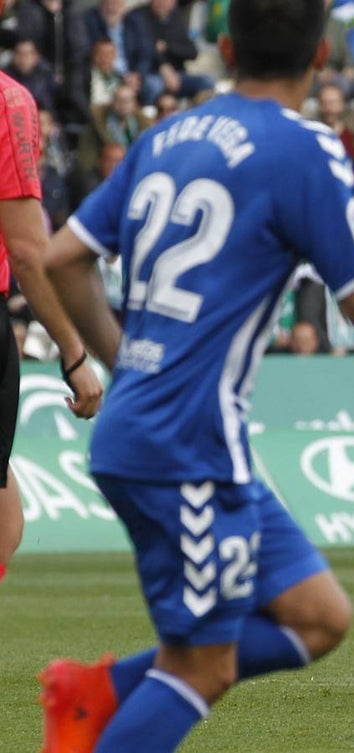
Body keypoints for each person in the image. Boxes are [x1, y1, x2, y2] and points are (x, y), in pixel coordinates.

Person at [37, 2, 354, 750]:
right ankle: (102, 708)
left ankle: (101, 690)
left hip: (173, 434)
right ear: (320, 59)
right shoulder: (302, 145)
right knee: (200, 667)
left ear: (223, 47)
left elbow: (62, 258)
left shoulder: (166, 133)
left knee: (319, 616)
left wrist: (131, 366)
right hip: (187, 446)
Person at [0, 21, 103, 589]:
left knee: (6, 514)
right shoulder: (9, 101)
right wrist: (72, 351)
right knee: (3, 520)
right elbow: (25, 247)